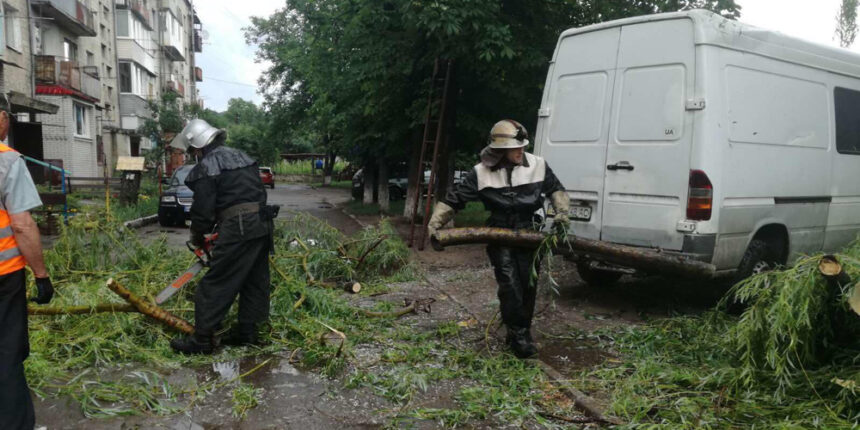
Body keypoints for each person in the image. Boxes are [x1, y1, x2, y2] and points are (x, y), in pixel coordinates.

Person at [427, 119, 569, 358]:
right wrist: (434, 225)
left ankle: (520, 333)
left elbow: (556, 189)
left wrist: (562, 215)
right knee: (510, 285)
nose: (521, 150)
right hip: (499, 232)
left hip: (530, 232)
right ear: (500, 150)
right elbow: (455, 199)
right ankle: (519, 336)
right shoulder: (480, 172)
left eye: (522, 146)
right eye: (515, 147)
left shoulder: (538, 165)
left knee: (528, 286)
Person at [168, 119, 277, 354]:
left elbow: (203, 211)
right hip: (262, 223)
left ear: (198, 147)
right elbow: (254, 194)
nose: (193, 154)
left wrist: (198, 236)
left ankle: (202, 341)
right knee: (253, 280)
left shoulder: (208, 166)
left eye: (192, 150)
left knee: (215, 283)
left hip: (240, 226)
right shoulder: (242, 157)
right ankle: (247, 333)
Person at [0, 96, 54, 429]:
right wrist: (41, 275)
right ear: (2, 119)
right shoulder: (6, 161)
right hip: (3, 276)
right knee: (6, 351)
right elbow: (21, 224)